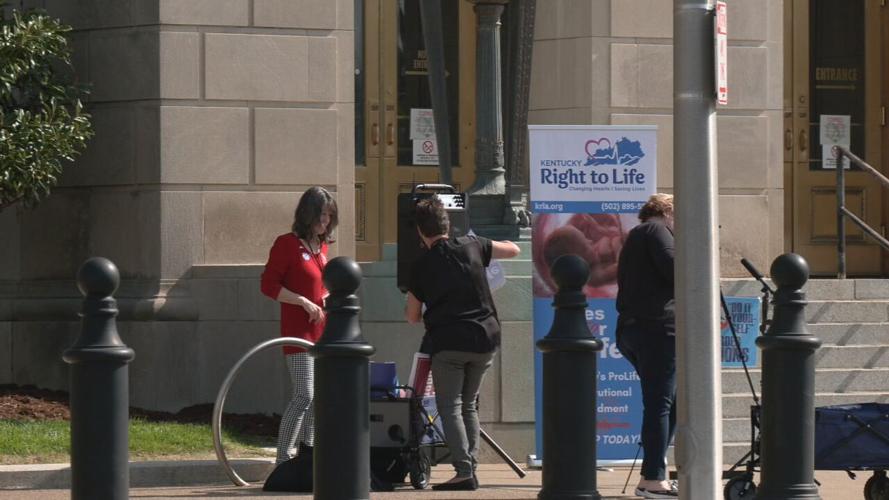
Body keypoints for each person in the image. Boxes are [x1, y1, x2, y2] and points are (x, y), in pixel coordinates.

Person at [404, 197, 520, 491]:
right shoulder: (473, 245)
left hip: (450, 343)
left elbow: (412, 317)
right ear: (448, 224)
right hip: (486, 338)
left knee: (450, 405)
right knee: (469, 404)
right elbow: (514, 248)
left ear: (420, 232)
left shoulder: (420, 267)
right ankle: (470, 466)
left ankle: (464, 470)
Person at [260, 186, 338, 465]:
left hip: (323, 333)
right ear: (307, 214)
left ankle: (309, 454)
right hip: (298, 333)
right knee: (304, 394)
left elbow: (321, 287)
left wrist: (327, 300)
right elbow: (268, 286)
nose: (325, 222)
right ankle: (284, 457)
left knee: (318, 399)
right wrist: (303, 302)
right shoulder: (287, 244)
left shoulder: (323, 247)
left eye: (329, 216)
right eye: (321, 215)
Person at [615, 193, 678, 499]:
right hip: (657, 328)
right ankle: (653, 479)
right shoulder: (656, 230)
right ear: (667, 211)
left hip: (638, 327)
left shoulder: (638, 235)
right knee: (660, 404)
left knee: (672, 403)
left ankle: (653, 472)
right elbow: (676, 269)